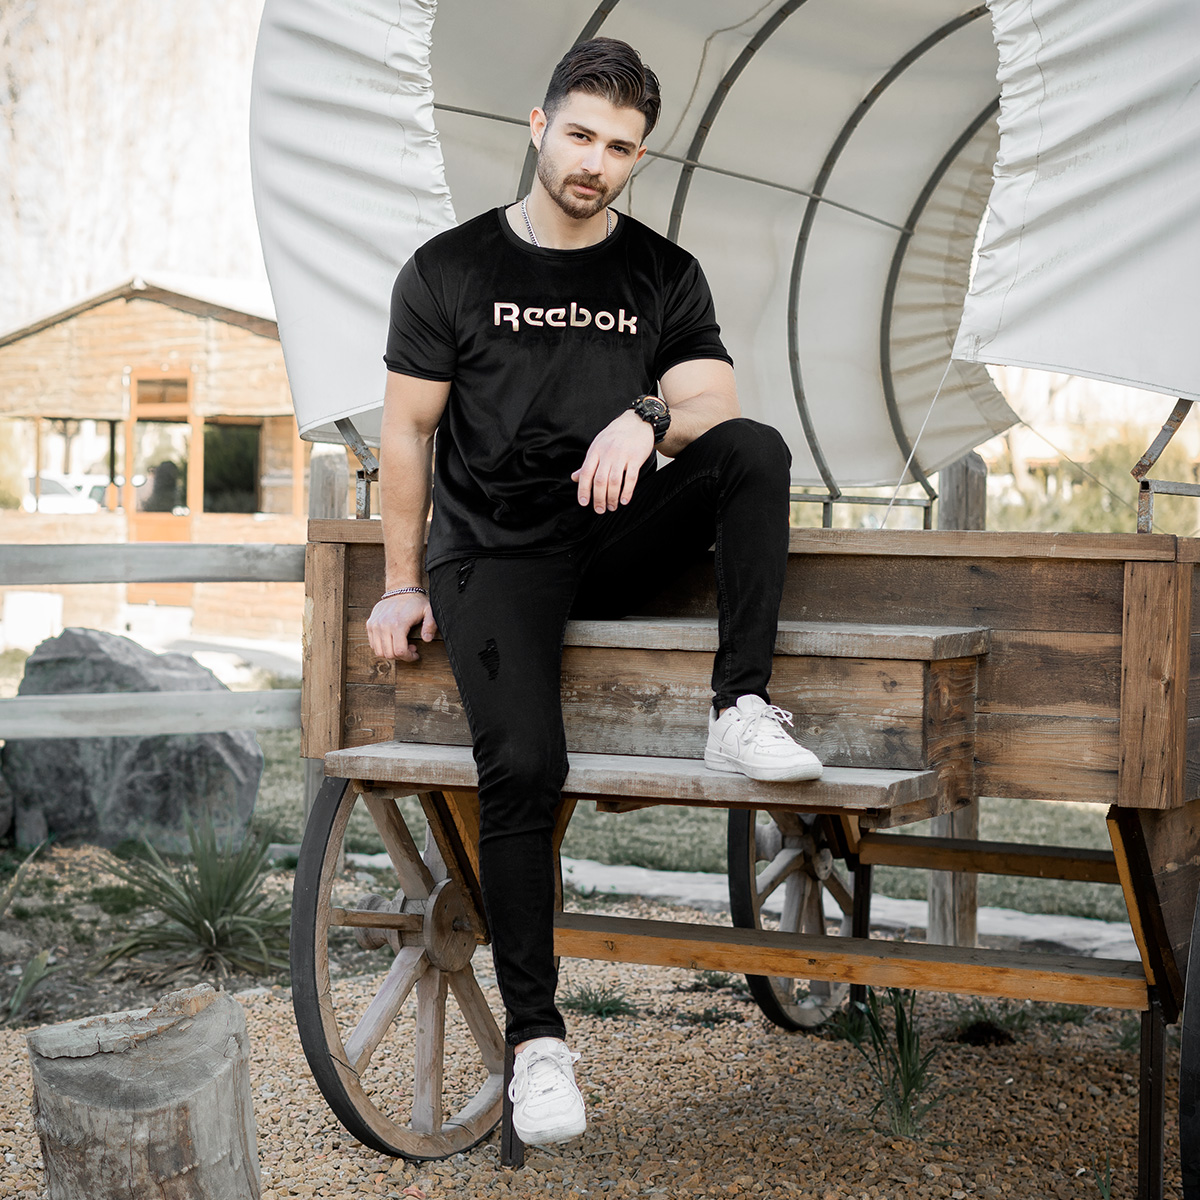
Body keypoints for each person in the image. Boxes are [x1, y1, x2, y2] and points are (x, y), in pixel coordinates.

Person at [365, 36, 822, 1147]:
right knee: (523, 764)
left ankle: (738, 709)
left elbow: (712, 400)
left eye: (620, 148)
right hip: (493, 555)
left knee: (754, 449)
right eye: (579, 136)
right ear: (539, 127)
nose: (595, 163)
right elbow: (408, 433)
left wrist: (647, 417)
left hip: (612, 531)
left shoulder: (660, 272)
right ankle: (539, 1046)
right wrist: (398, 584)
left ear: (638, 157)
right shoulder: (450, 268)